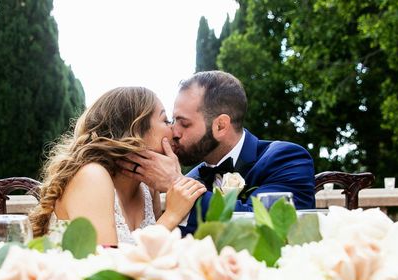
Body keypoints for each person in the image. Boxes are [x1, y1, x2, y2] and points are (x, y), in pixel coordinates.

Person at [117, 70, 316, 234]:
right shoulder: (192, 177)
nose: (174, 132)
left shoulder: (286, 158)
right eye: (172, 120)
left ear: (221, 126)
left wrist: (175, 183)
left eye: (184, 123)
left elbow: (272, 228)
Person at [29, 87, 206, 245]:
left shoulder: (146, 186)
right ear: (135, 130)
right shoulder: (92, 176)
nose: (174, 131)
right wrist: (172, 215)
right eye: (166, 120)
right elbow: (106, 267)